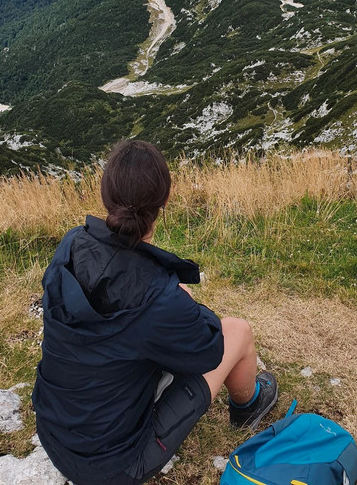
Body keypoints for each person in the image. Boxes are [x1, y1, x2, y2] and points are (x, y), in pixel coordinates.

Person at [32, 139, 278, 485]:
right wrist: (184, 303)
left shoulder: (71, 245)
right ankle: (249, 404)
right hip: (112, 467)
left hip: (52, 431)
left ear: (106, 195)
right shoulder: (159, 296)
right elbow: (208, 350)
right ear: (162, 203)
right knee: (237, 332)